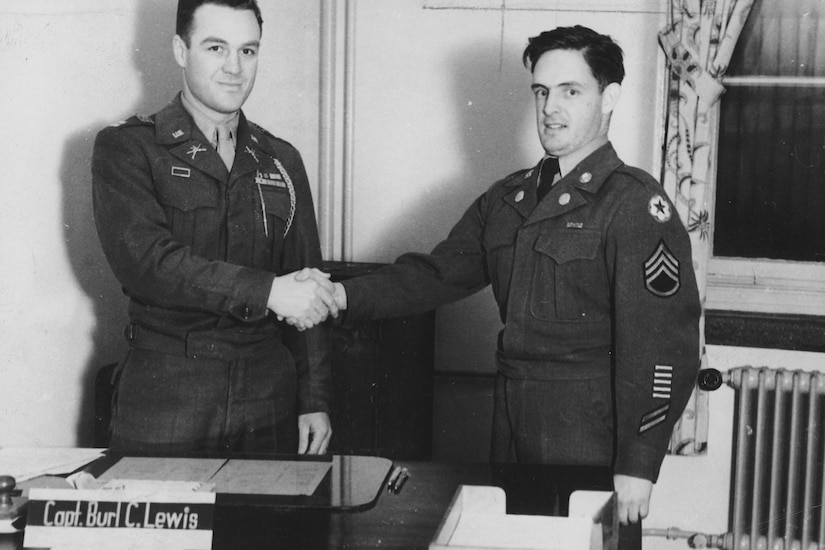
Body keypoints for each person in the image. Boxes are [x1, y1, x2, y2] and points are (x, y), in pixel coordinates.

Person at [323, 25, 701, 548]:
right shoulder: (509, 199)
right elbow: (434, 275)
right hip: (510, 424)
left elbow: (665, 347)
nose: (550, 106)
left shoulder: (633, 203)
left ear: (609, 97)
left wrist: (640, 460)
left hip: (590, 434)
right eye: (542, 92)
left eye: (571, 91)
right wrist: (341, 296)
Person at [92, 0, 337, 456]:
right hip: (170, 391)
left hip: (269, 397)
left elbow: (307, 280)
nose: (234, 68)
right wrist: (266, 291)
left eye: (248, 51)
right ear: (181, 51)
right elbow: (148, 264)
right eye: (215, 47)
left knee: (265, 528)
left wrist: (314, 399)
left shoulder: (281, 160)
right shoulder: (129, 149)